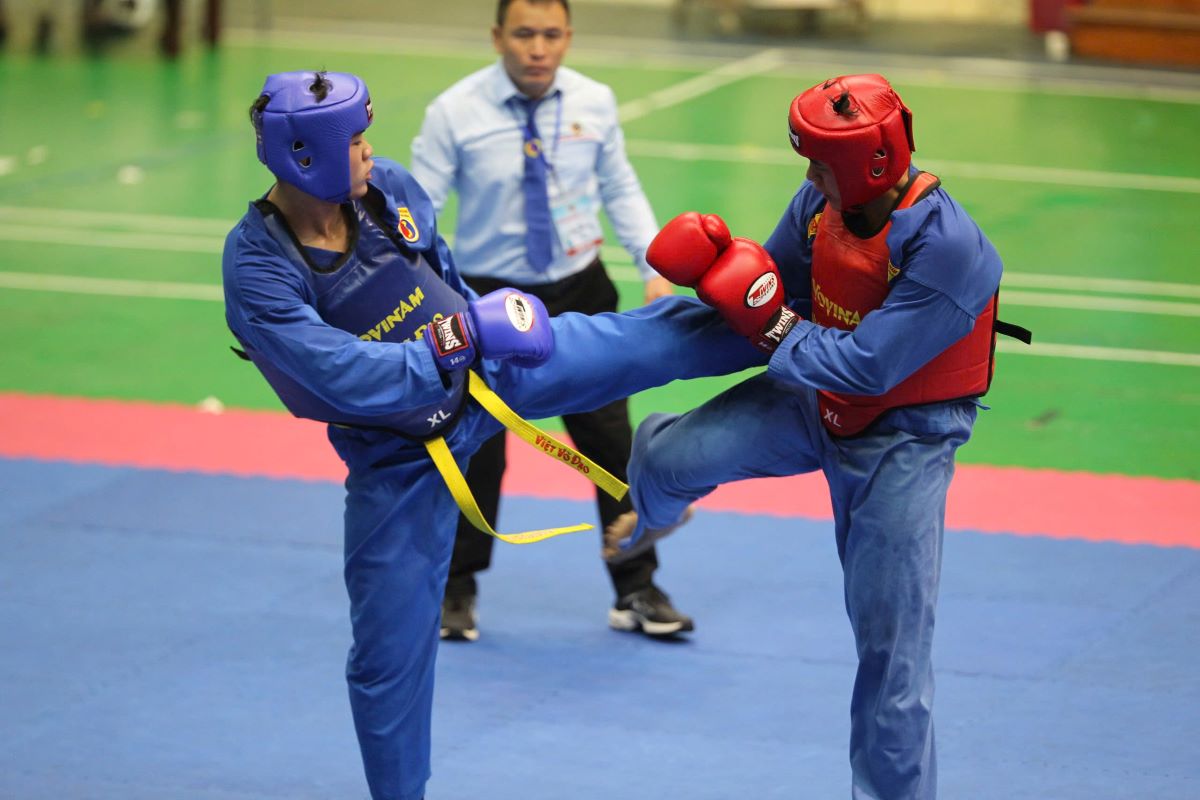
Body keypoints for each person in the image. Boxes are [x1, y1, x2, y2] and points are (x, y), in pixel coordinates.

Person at [222, 70, 762, 800]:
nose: (367, 151)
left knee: (643, 341)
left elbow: (437, 275)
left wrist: (482, 319)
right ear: (305, 155)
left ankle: (797, 316)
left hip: (490, 378)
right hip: (399, 461)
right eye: (352, 141)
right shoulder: (258, 265)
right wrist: (453, 339)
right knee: (387, 660)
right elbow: (336, 377)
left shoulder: (386, 187)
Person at [605, 74, 1026, 799]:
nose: (807, 175)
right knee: (665, 453)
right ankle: (651, 513)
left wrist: (769, 323)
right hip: (813, 397)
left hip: (903, 441)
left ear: (870, 162)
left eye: (819, 162)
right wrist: (724, 273)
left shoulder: (950, 248)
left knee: (891, 662)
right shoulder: (821, 204)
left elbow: (867, 367)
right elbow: (774, 284)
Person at [410, 0, 690, 642]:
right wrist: (417, 294)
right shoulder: (455, 111)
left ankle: (636, 585)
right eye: (524, 34)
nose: (538, 48)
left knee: (612, 444)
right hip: (484, 301)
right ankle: (456, 590)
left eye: (551, 34)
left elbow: (619, 185)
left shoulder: (595, 101)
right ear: (497, 37)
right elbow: (418, 210)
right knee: (476, 448)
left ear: (568, 38)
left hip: (581, 292)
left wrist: (654, 263)